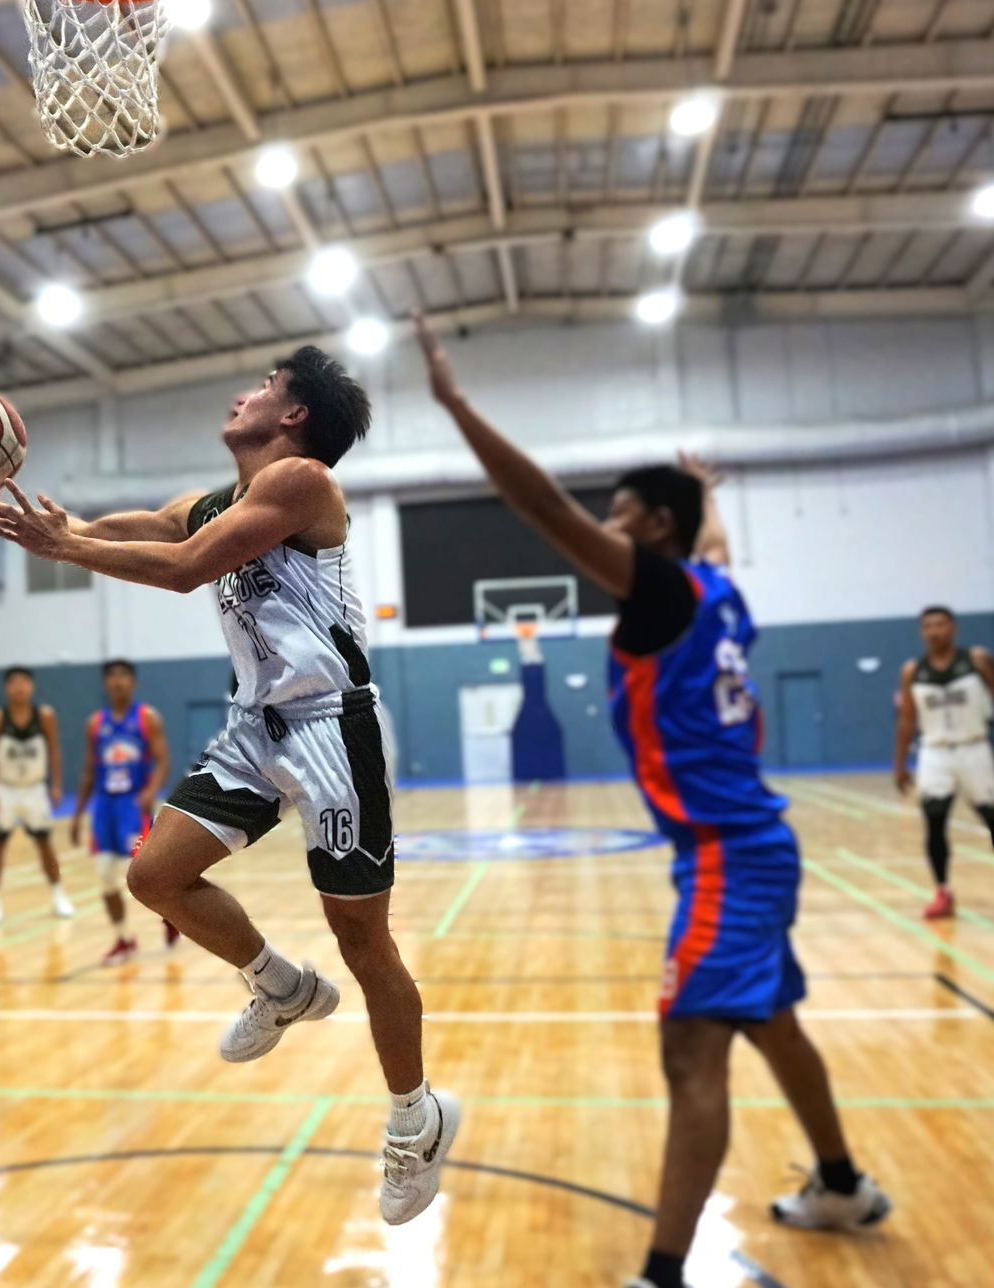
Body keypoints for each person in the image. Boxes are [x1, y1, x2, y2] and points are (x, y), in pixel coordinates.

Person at [412, 313, 892, 1288]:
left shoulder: (664, 586)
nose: (608, 529)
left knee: (689, 1047)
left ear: (655, 530)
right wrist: (706, 492)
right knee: (773, 1020)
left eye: (623, 514)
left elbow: (545, 508)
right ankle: (840, 1181)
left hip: (724, 849)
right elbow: (710, 540)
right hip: (743, 841)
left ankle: (662, 1273)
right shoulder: (713, 587)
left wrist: (457, 406)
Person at [0, 345, 457, 1226]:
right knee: (154, 877)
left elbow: (186, 566)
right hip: (255, 727)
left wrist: (68, 548)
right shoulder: (221, 501)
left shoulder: (303, 483)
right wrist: (64, 524)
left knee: (363, 941)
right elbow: (159, 530)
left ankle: (415, 1119)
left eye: (265, 387)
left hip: (329, 728)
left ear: (294, 415)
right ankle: (280, 986)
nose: (245, 394)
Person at [894, 606, 994, 919]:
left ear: (954, 629)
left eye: (940, 624)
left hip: (974, 747)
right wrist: (899, 764)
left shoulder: (976, 660)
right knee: (934, 823)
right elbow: (907, 718)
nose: (934, 631)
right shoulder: (912, 670)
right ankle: (943, 891)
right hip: (934, 752)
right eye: (927, 626)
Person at [72, 660, 172, 965]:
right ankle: (123, 939)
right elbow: (90, 770)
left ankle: (172, 915)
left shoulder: (146, 718)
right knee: (105, 877)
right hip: (104, 808)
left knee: (145, 873)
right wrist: (77, 814)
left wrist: (150, 790)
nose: (118, 682)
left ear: (133, 683)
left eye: (124, 677)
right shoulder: (95, 723)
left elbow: (163, 762)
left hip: (133, 807)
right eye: (112, 677)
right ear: (105, 684)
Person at [0, 668, 73, 924]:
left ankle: (58, 895)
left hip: (34, 788)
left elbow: (54, 750)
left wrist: (55, 785)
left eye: (24, 681)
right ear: (6, 688)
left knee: (45, 844)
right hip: (5, 788)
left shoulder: (44, 716)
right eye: (14, 682)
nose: (19, 687)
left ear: (31, 686)